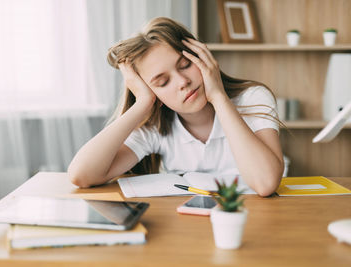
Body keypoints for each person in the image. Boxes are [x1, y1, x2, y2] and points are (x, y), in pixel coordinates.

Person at [68, 17, 284, 197]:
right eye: (162, 82)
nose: (182, 82)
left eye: (185, 65)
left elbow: (265, 183)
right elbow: (82, 175)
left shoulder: (253, 98)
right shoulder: (156, 125)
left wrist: (218, 97)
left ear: (203, 58)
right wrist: (143, 103)